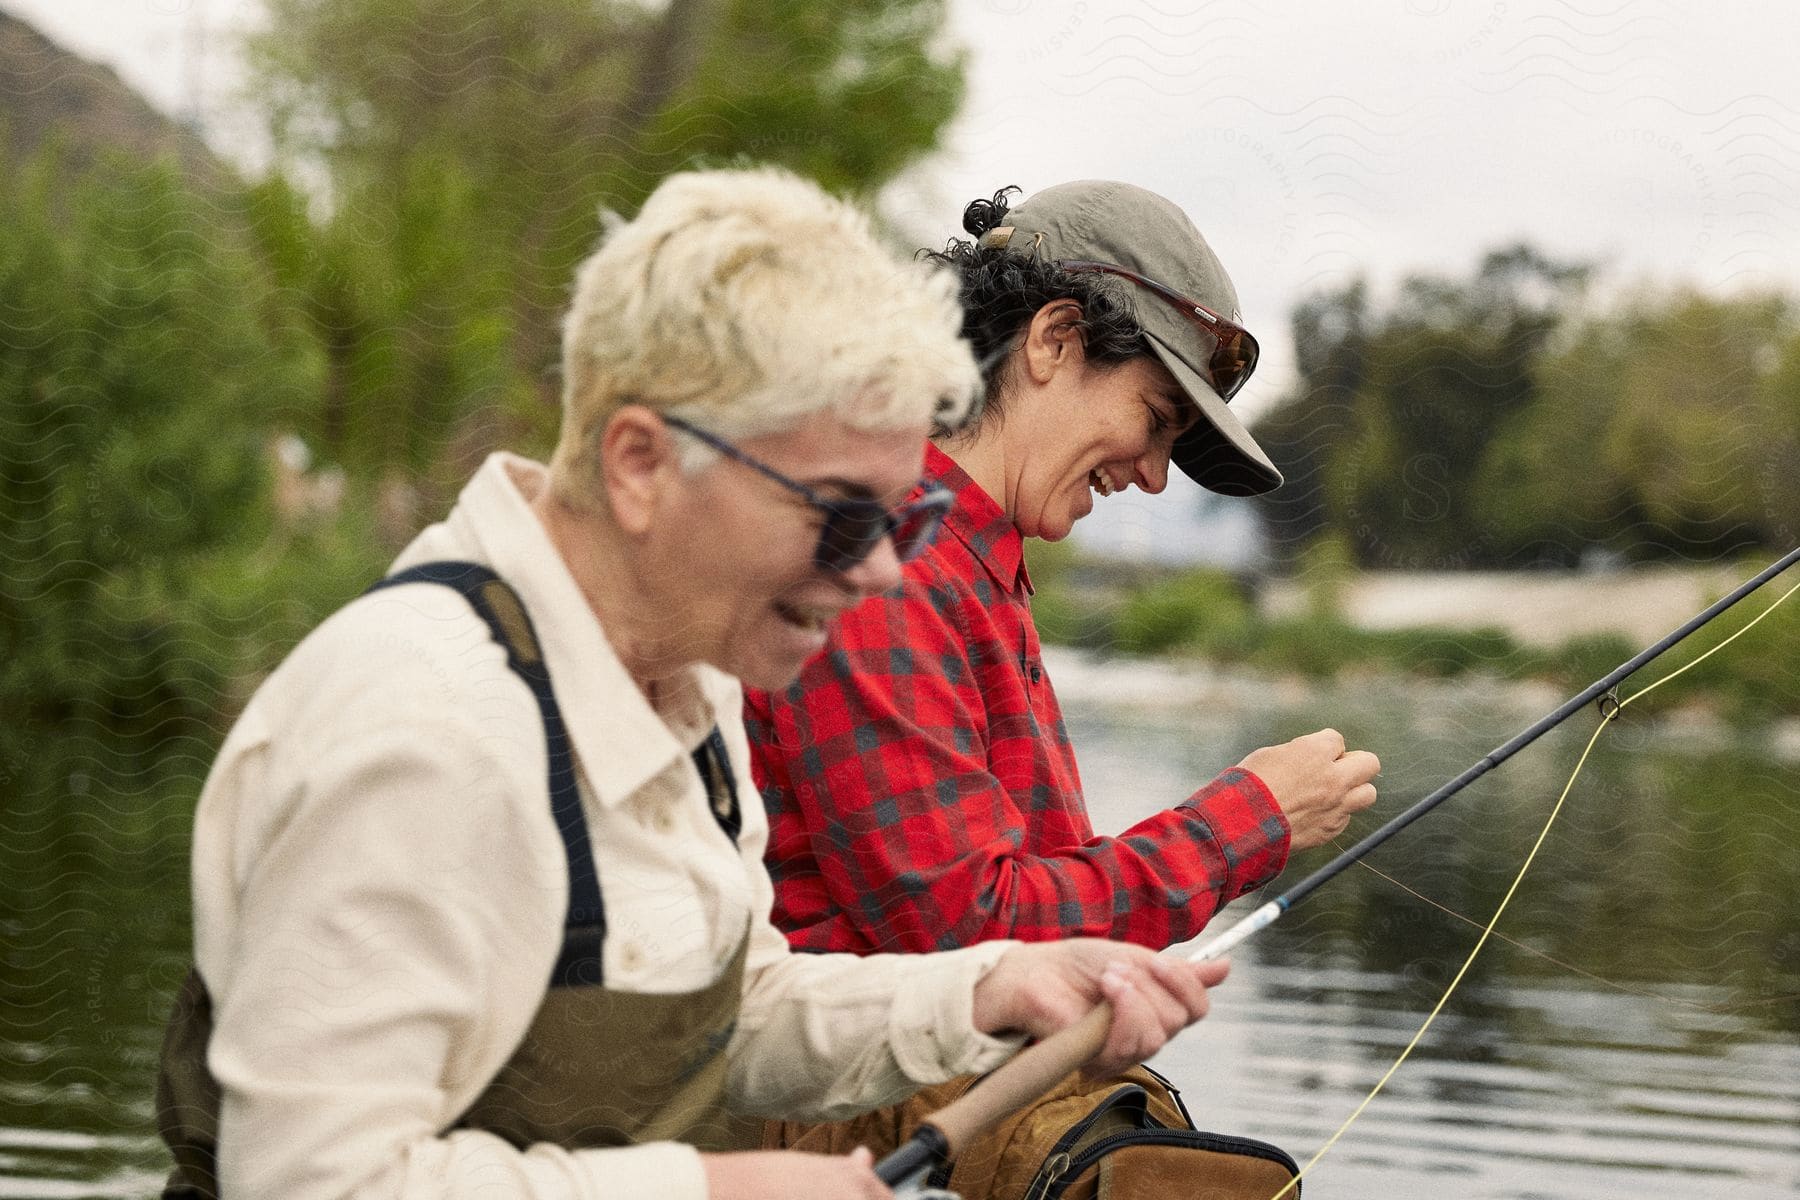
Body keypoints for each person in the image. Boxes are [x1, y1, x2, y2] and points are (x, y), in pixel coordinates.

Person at [152, 168, 1234, 1200]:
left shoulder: (690, 690)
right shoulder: (425, 729)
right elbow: (304, 1181)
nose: (878, 571)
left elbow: (740, 1011)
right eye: (845, 513)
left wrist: (986, 990)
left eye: (905, 517)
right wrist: (708, 1187)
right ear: (638, 464)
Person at [746, 180, 1382, 958]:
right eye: (1155, 421)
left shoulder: (964, 563)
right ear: (1055, 338)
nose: (1153, 475)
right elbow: (972, 932)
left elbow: (1013, 909)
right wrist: (1247, 821)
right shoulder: (886, 565)